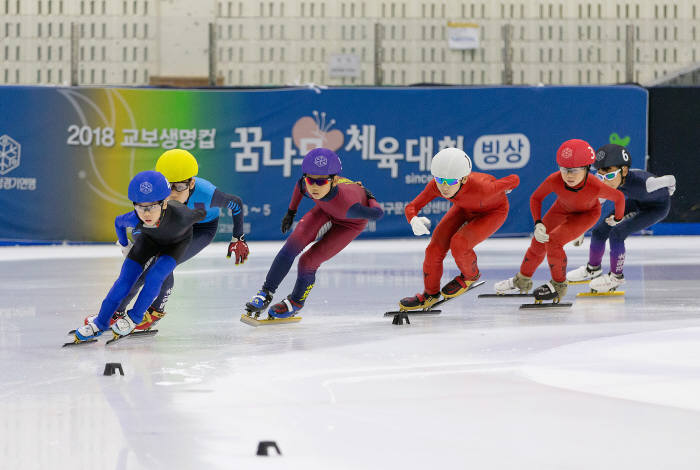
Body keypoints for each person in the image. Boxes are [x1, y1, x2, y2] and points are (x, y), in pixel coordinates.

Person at [89, 149, 249, 331]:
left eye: (179, 187)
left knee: (158, 267)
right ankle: (116, 312)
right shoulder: (158, 192)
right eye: (168, 186)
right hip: (168, 225)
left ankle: (155, 311)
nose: (172, 193)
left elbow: (235, 203)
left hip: (200, 229)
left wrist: (238, 237)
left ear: (192, 183)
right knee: (142, 267)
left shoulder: (208, 194)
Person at [245, 147, 384, 319]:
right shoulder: (306, 184)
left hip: (349, 224)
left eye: (321, 182)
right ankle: (265, 292)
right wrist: (291, 213)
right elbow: (299, 186)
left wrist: (369, 196)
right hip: (325, 210)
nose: (314, 187)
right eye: (311, 181)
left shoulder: (348, 204)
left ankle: (295, 302)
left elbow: (377, 214)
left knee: (307, 261)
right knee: (290, 247)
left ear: (334, 181)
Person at [73, 171, 206, 342]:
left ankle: (134, 318)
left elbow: (201, 213)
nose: (146, 214)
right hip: (149, 240)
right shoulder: (135, 218)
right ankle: (100, 323)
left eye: (151, 207)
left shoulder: (183, 217)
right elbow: (118, 223)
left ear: (164, 203)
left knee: (155, 277)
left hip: (176, 245)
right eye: (140, 207)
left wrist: (203, 206)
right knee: (124, 281)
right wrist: (124, 244)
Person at [494, 139, 626, 302]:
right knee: (537, 243)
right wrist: (538, 223)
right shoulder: (555, 180)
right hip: (562, 209)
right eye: (565, 170)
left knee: (554, 242)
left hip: (587, 214)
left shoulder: (595, 186)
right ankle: (522, 280)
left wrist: (618, 218)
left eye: (574, 170)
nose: (569, 175)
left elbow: (619, 197)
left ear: (586, 168)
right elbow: (536, 198)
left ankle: (558, 286)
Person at [398, 147, 519, 310]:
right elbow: (412, 206)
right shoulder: (436, 185)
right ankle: (429, 294)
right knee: (433, 249)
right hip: (463, 208)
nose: (444, 187)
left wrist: (507, 187)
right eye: (440, 180)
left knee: (459, 243)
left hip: (493, 212)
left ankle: (470, 276)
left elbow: (514, 178)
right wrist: (413, 219)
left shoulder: (484, 187)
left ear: (463, 179)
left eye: (451, 181)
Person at [567, 143, 675, 292]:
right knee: (599, 231)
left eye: (610, 175)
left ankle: (616, 277)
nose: (605, 181)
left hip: (657, 208)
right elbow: (596, 205)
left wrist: (671, 188)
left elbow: (670, 179)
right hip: (636, 202)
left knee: (617, 233)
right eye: (601, 176)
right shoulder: (611, 181)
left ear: (624, 170)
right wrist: (581, 229)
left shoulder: (646, 184)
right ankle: (593, 269)